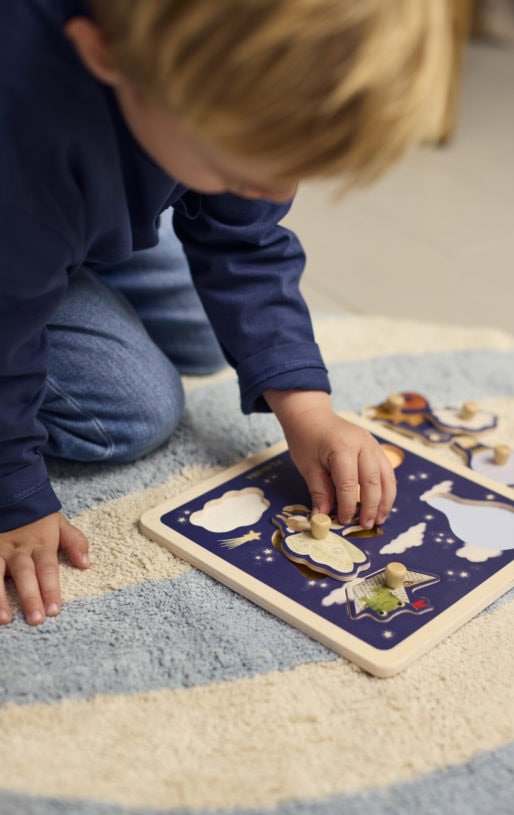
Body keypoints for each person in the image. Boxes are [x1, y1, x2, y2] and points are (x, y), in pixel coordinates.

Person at [0, 0, 448, 626]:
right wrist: (14, 497)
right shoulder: (25, 133)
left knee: (214, 340)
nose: (268, 192)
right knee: (135, 409)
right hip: (22, 227)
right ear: (109, 59)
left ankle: (88, 242)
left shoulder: (183, 84)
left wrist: (308, 410)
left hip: (67, 211)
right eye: (238, 169)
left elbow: (247, 240)